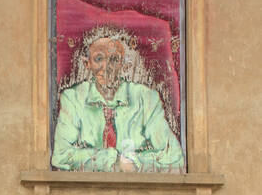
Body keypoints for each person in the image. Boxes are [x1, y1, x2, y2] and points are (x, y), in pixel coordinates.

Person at [51, 31, 184, 172]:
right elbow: (61, 156)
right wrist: (112, 161)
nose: (106, 67)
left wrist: (133, 162)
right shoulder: (73, 98)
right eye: (98, 59)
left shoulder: (146, 98)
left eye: (114, 59)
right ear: (87, 64)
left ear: (124, 65)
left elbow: (174, 156)